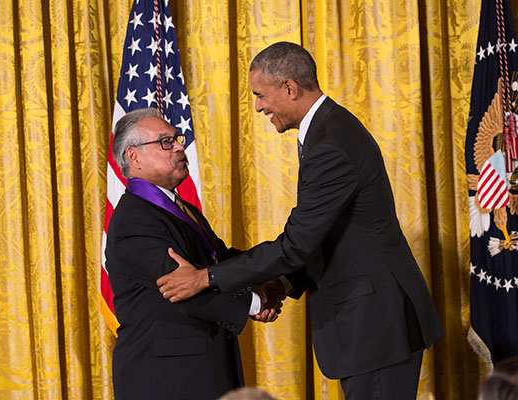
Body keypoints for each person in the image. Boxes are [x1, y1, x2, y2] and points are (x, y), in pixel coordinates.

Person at [157, 42, 444, 399]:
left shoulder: (329, 144)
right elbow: (331, 236)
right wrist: (285, 283)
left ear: (290, 88)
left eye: (260, 95)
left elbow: (296, 244)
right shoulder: (329, 128)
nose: (258, 106)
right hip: (373, 322)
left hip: (375, 325)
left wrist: (205, 277)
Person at [105, 108, 280, 400]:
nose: (178, 147)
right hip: (165, 380)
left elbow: (222, 261)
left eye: (177, 139)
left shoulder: (182, 209)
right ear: (133, 156)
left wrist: (281, 265)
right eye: (165, 142)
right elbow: (181, 289)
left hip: (200, 369)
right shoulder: (134, 218)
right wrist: (255, 302)